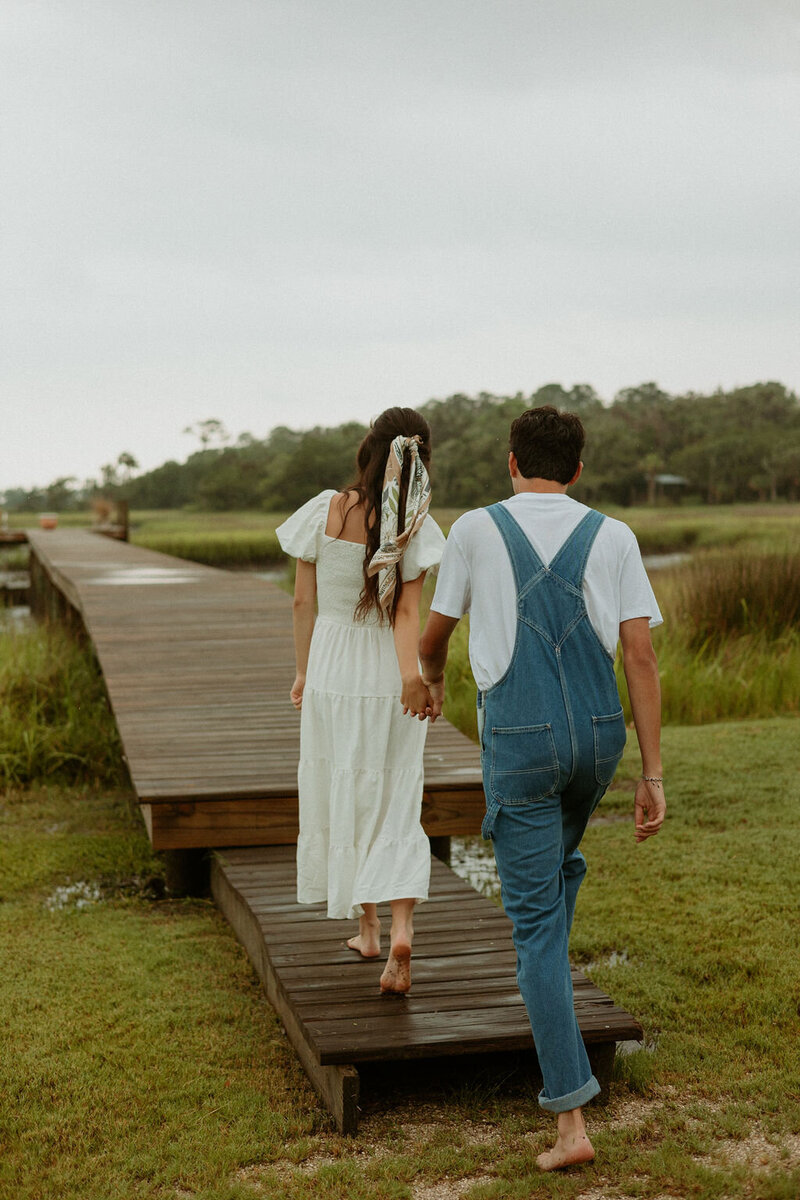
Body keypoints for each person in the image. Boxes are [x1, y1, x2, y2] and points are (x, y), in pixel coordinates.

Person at [418, 406, 666, 1170]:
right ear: (580, 469)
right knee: (556, 870)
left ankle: (570, 1123)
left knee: (532, 929)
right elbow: (640, 656)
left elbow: (436, 632)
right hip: (599, 739)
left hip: (521, 742)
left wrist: (428, 675)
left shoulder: (473, 531)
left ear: (511, 460)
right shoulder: (615, 535)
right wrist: (652, 773)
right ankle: (559, 897)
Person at [276, 408, 445, 994]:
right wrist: (412, 677)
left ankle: (367, 928)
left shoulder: (325, 508)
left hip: (331, 667)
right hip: (387, 670)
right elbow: (405, 613)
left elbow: (302, 605)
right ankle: (396, 931)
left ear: (366, 449)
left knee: (345, 786)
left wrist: (302, 672)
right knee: (395, 793)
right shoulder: (414, 525)